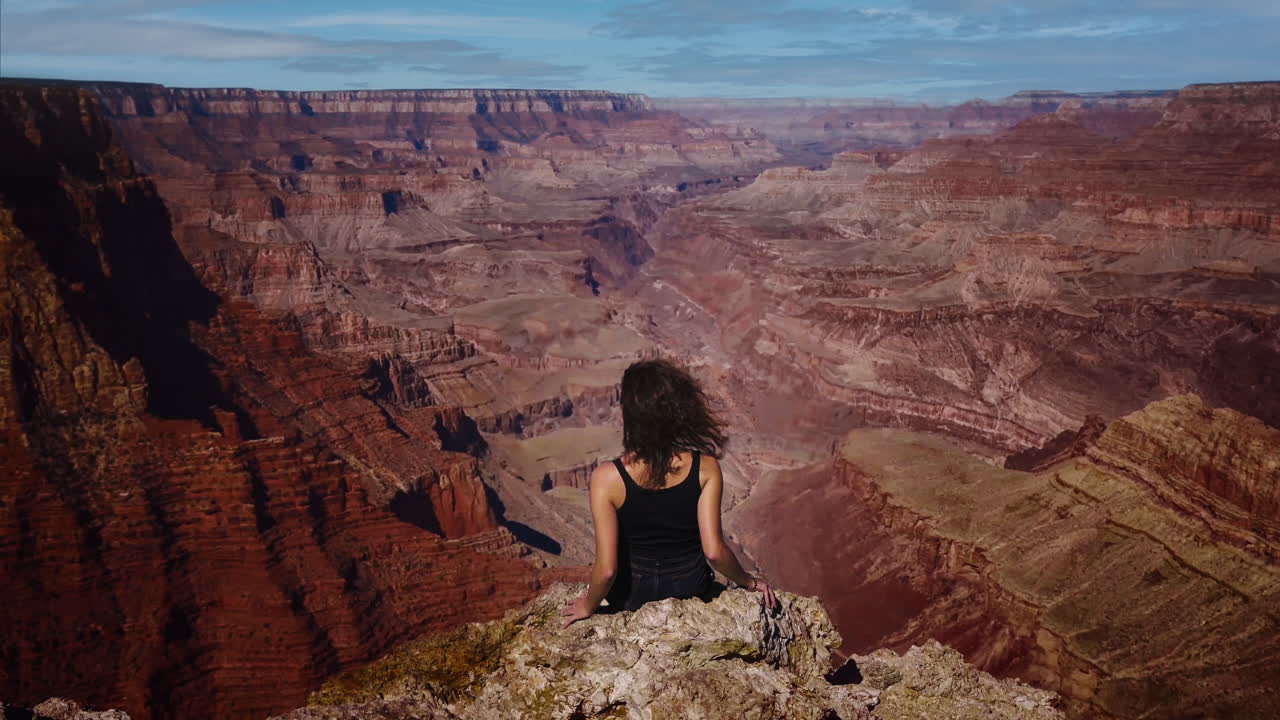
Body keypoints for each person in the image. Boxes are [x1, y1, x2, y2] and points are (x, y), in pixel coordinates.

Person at [562, 358, 778, 628]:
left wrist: (588, 605)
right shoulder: (705, 467)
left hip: (631, 598)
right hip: (690, 589)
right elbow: (714, 552)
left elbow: (606, 570)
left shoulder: (606, 478)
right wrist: (750, 581)